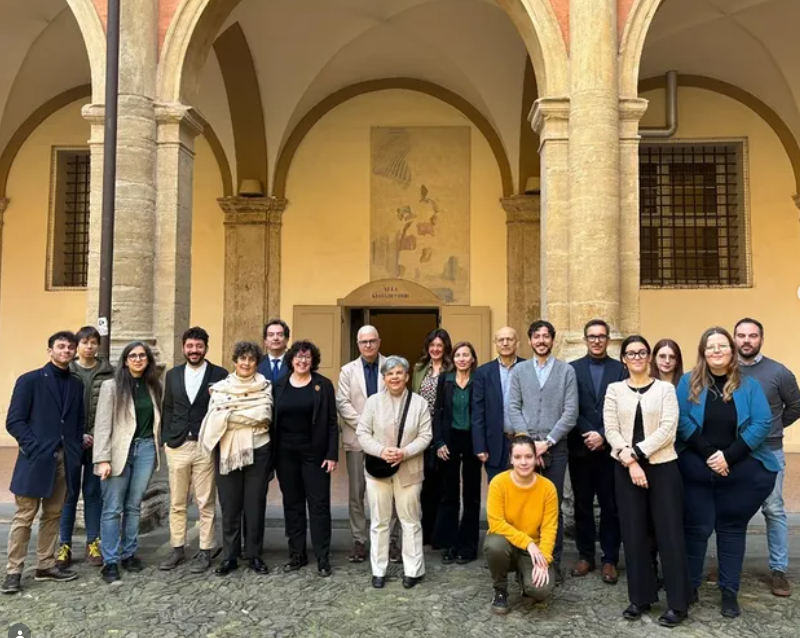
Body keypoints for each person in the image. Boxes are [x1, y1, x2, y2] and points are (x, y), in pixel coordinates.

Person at [676, 327, 778, 618]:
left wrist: (728, 457)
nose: (717, 351)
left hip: (738, 467)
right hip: (697, 465)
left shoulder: (749, 385)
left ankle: (729, 592)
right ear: (703, 352)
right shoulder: (688, 382)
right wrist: (710, 454)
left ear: (732, 352)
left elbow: (762, 422)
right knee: (695, 530)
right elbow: (681, 419)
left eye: (723, 346)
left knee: (732, 530)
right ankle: (690, 586)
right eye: (711, 347)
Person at [604, 335, 691, 628]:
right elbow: (611, 429)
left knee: (669, 534)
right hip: (626, 469)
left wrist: (638, 454)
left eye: (642, 352)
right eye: (631, 353)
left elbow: (668, 428)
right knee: (634, 533)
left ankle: (678, 604)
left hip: (662, 467)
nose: (637, 357)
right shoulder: (614, 390)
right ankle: (640, 597)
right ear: (624, 359)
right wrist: (629, 461)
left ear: (648, 357)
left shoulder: (665, 389)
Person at [1, 331, 83, 595]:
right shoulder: (31, 380)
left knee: (53, 515)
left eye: (70, 347)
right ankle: (13, 571)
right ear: (50, 350)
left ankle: (45, 565)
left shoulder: (76, 384)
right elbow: (14, 421)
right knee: (25, 516)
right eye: (61, 347)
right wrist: (34, 447)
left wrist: (75, 447)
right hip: (35, 459)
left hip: (64, 459)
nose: (66, 351)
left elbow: (76, 421)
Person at [507, 320, 577, 579]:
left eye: (546, 336)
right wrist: (528, 446)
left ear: (553, 340)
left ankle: (552, 561)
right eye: (537, 336)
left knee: (552, 507)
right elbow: (513, 406)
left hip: (555, 450)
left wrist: (546, 443)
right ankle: (521, 560)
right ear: (529, 340)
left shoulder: (566, 371)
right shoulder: (519, 371)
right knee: (523, 504)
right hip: (524, 453)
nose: (541, 341)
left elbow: (571, 412)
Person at [734, 317, 800, 597]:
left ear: (761, 338)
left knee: (773, 510)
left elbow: (795, 406)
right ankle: (730, 566)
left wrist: (772, 428)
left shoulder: (779, 372)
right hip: (734, 452)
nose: (746, 340)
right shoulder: (725, 370)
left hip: (769, 451)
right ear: (734, 338)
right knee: (733, 511)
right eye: (741, 335)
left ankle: (779, 570)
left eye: (752, 335)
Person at [357, 356, 432, 589]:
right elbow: (362, 433)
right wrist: (381, 451)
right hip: (378, 470)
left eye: (399, 373)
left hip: (409, 469)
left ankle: (413, 569)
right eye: (390, 374)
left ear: (407, 376)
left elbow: (426, 435)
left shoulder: (419, 403)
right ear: (384, 378)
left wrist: (404, 452)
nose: (395, 377)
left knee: (410, 520)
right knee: (380, 521)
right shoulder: (373, 402)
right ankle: (378, 570)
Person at [199, 341, 273, 577]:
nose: (246, 363)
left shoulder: (265, 386)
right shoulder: (221, 387)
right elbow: (215, 418)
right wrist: (244, 416)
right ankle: (230, 557)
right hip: (227, 451)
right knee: (230, 506)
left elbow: (264, 416)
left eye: (251, 359)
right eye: (242, 359)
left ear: (256, 362)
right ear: (234, 361)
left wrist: (231, 414)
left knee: (254, 506)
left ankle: (254, 555)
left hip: (259, 449)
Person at [158, 327, 228, 573]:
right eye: (190, 346)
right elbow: (167, 407)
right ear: (183, 348)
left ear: (206, 347)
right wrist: (166, 438)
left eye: (199, 346)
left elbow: (224, 408)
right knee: (177, 501)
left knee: (205, 501)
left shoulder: (219, 374)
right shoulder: (173, 374)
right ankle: (177, 547)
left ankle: (205, 549)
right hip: (177, 445)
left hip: (205, 445)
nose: (194, 350)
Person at [93, 341, 162, 584]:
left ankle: (129, 554)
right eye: (132, 356)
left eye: (142, 355)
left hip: (145, 450)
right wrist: (102, 459)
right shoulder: (111, 387)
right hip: (118, 452)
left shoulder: (153, 386)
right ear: (125, 360)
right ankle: (110, 561)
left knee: (134, 506)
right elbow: (101, 426)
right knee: (113, 508)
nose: (138, 359)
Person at [273, 340, 339, 577]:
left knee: (319, 505)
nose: (302, 361)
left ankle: (322, 556)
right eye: (298, 357)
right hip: (285, 454)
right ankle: (297, 554)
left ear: (313, 360)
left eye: (307, 357)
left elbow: (332, 422)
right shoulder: (278, 386)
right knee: (292, 504)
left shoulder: (324, 385)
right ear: (291, 360)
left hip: (315, 454)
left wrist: (332, 453)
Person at [336, 325, 399, 563]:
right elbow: (342, 402)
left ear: (379, 342)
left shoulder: (391, 366)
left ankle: (390, 540)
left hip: (386, 440)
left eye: (372, 341)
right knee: (357, 492)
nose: (368, 345)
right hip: (358, 439)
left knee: (388, 491)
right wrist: (366, 424)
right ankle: (359, 540)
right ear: (358, 344)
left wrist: (379, 426)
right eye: (364, 342)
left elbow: (398, 396)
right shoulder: (347, 371)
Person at [568, 319, 624, 584]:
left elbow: (622, 408)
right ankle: (585, 555)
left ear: (608, 339)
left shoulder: (620, 369)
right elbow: (570, 407)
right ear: (585, 339)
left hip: (610, 450)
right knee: (582, 504)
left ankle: (610, 558)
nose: (597, 340)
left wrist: (602, 434)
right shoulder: (572, 369)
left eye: (601, 336)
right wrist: (588, 432)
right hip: (580, 448)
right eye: (592, 336)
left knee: (611, 505)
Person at [57, 326, 114, 569]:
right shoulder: (66, 371)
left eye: (93, 342)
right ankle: (64, 545)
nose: (89, 346)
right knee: (68, 493)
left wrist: (95, 435)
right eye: (84, 342)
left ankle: (93, 542)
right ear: (77, 345)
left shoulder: (109, 372)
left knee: (93, 493)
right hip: (70, 441)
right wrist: (77, 434)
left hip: (98, 442)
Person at [483, 434, 558, 615]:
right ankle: (500, 590)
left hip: (533, 550)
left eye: (528, 457)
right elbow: (496, 523)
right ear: (510, 459)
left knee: (541, 590)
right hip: (508, 543)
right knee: (494, 545)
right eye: (517, 457)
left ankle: (525, 580)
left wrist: (544, 559)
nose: (523, 462)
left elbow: (549, 528)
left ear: (536, 458)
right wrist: (528, 542)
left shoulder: (547, 488)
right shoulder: (498, 483)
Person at [433, 341, 481, 564]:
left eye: (466, 355)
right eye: (458, 355)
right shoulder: (445, 379)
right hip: (450, 439)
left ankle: (468, 546)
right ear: (453, 359)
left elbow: (484, 412)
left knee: (471, 495)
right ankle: (450, 543)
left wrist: (483, 445)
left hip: (472, 440)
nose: (462, 359)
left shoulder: (479, 379)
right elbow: (438, 412)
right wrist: (439, 441)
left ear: (472, 359)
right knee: (448, 493)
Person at [412, 328, 453, 545]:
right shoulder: (419, 369)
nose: (436, 349)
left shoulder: (452, 368)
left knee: (443, 484)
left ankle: (441, 534)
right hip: (421, 430)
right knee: (425, 485)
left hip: (444, 432)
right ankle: (426, 532)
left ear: (445, 347)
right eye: (432, 345)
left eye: (440, 345)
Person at [472, 327, 525, 483]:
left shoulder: (528, 368)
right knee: (498, 491)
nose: (505, 343)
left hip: (522, 440)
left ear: (517, 343)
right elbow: (477, 412)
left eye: (509, 339)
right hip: (494, 442)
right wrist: (480, 446)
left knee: (523, 491)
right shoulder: (483, 373)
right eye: (501, 340)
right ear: (495, 343)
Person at [257, 319, 290, 383]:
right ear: (265, 341)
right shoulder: (257, 363)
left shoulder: (294, 363)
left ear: (286, 339)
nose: (275, 338)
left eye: (280, 334)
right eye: (271, 335)